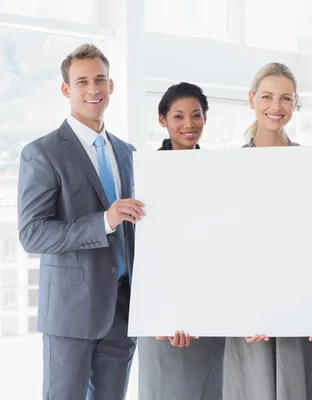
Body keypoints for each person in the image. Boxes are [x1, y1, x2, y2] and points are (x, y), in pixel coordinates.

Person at [223, 62, 312, 400]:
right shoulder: (228, 169)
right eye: (267, 97)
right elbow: (225, 250)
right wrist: (236, 315)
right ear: (251, 99)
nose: (276, 107)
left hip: (311, 318)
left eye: (285, 98)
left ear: (295, 102)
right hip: (253, 320)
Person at [17, 44, 144, 399]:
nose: (93, 89)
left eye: (100, 79)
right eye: (83, 81)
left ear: (111, 86)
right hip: (71, 313)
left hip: (122, 311)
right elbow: (32, 234)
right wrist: (103, 220)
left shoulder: (128, 152)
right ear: (66, 89)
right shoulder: (42, 153)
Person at [137, 82, 226, 400]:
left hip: (209, 309)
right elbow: (148, 254)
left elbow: (223, 246)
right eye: (178, 116)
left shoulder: (220, 173)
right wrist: (165, 314)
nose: (189, 124)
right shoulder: (146, 175)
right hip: (162, 313)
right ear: (163, 120)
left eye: (196, 115)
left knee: (212, 388)